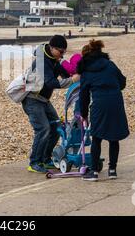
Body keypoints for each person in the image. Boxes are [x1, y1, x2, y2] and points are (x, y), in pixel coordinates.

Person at [22, 35, 80, 173]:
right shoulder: (42, 61)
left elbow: (65, 74)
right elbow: (50, 82)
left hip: (43, 100)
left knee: (56, 127)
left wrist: (76, 75)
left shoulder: (53, 59)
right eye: (60, 52)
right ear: (52, 48)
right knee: (43, 129)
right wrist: (72, 80)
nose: (62, 55)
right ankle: (34, 162)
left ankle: (46, 159)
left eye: (64, 52)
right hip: (32, 100)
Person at [77, 40, 129, 182]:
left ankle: (93, 172)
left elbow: (84, 95)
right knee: (114, 136)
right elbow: (122, 82)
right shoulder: (110, 65)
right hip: (116, 101)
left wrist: (83, 114)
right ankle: (112, 170)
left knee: (97, 137)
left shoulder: (86, 71)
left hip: (99, 103)